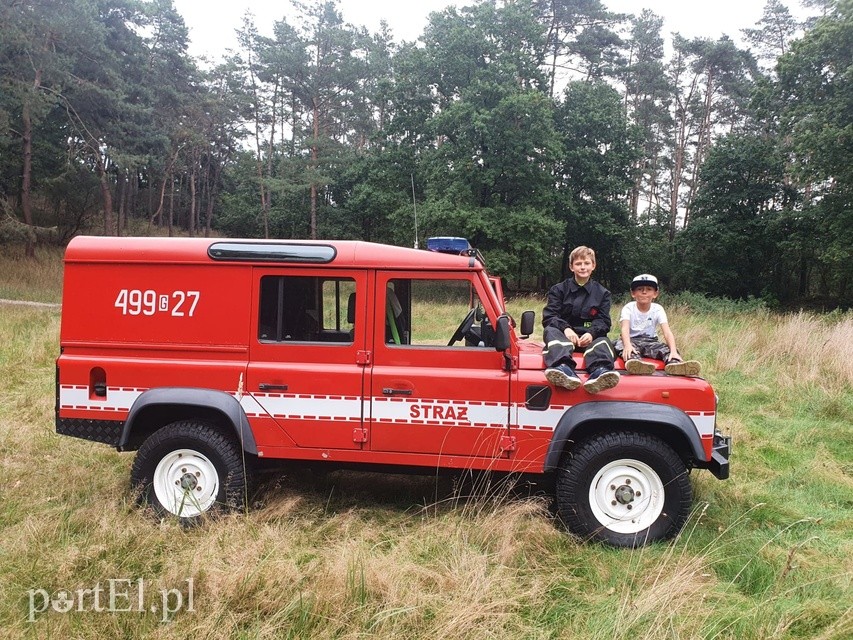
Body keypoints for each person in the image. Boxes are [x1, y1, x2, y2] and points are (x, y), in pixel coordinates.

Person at [543, 246, 620, 394]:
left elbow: (603, 321)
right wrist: (566, 329)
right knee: (550, 331)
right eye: (578, 264)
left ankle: (600, 372)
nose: (583, 267)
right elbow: (550, 316)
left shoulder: (603, 293)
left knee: (604, 341)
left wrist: (591, 333)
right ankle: (563, 368)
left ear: (593, 266)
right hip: (563, 335)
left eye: (586, 263)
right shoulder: (558, 290)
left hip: (589, 337)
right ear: (571, 267)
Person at [617, 274, 701, 376]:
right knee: (622, 347)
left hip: (650, 341)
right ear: (633, 293)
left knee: (666, 350)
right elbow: (624, 328)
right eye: (640, 289)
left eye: (649, 289)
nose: (644, 292)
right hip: (631, 340)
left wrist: (673, 351)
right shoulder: (628, 308)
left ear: (655, 293)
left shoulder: (658, 309)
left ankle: (675, 365)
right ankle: (637, 365)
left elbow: (667, 332)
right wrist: (628, 345)